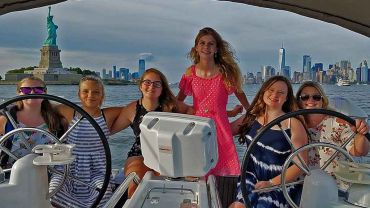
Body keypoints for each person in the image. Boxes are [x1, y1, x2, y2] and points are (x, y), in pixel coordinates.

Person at [177, 27, 250, 177]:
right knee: (198, 172)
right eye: (202, 43)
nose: (206, 47)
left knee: (224, 174)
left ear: (216, 48)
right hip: (198, 129)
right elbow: (178, 102)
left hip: (220, 129)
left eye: (211, 44)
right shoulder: (190, 74)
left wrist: (251, 110)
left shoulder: (225, 74)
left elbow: (239, 94)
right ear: (196, 47)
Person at [110, 68, 192, 198]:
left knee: (168, 188)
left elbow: (192, 113)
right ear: (141, 85)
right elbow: (111, 129)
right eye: (147, 82)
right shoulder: (132, 109)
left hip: (167, 153)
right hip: (140, 153)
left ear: (162, 88)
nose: (151, 86)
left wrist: (183, 132)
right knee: (135, 183)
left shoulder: (171, 106)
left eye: (156, 83)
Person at [229, 76, 308, 208]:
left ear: (287, 98)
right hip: (250, 177)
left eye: (281, 92)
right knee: (238, 206)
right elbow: (222, 132)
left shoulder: (293, 124)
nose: (274, 95)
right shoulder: (250, 118)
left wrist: (272, 183)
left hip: (280, 183)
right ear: (264, 91)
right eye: (271, 90)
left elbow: (300, 165)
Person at [50, 75, 123, 208]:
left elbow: (133, 110)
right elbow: (43, 107)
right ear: (78, 94)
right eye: (85, 91)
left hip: (98, 169)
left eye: (96, 92)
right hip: (68, 167)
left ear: (102, 95)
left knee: (103, 194)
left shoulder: (108, 115)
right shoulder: (68, 111)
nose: (91, 95)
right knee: (54, 192)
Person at [296, 81, 370, 176]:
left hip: (336, 186)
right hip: (302, 185)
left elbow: (359, 152)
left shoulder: (338, 123)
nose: (311, 100)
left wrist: (361, 134)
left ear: (322, 101)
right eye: (305, 97)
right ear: (298, 101)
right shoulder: (294, 125)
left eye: (316, 97)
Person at [0, 76, 68, 167]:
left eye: (38, 90)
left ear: (45, 92)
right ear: (18, 93)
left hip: (49, 176)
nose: (32, 93)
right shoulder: (5, 120)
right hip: (11, 176)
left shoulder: (59, 121)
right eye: (26, 90)